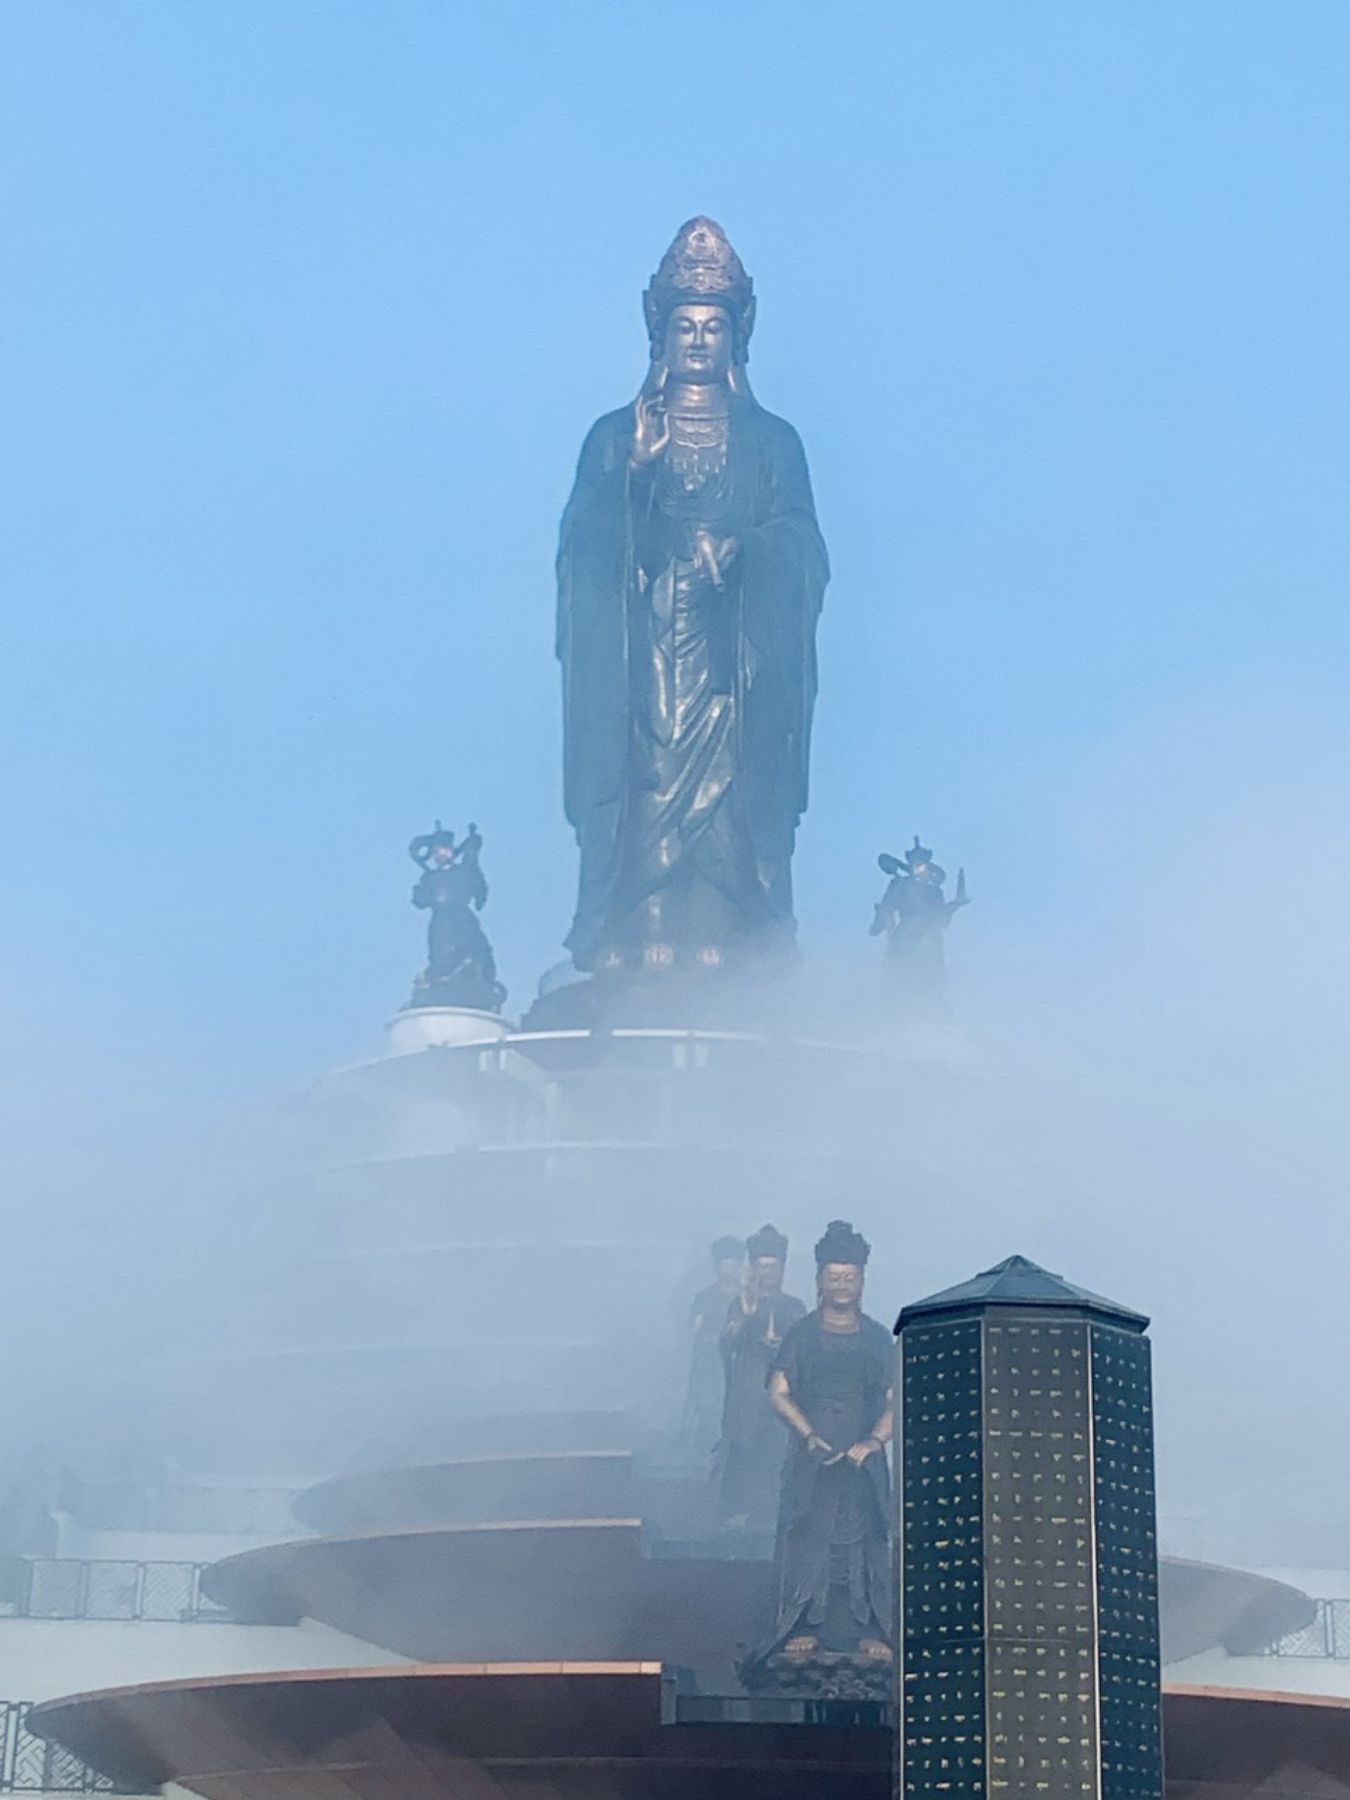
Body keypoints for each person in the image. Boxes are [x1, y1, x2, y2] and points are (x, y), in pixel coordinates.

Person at [557, 217, 829, 976]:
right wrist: (635, 479)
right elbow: (584, 547)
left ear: (735, 339)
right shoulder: (616, 436)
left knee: (733, 792)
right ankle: (631, 926)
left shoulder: (773, 442)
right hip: (643, 650)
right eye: (686, 326)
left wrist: (747, 552)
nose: (700, 341)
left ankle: (728, 926)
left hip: (731, 655)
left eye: (715, 327)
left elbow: (803, 543)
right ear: (662, 338)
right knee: (642, 778)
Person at [760, 1219, 893, 1666]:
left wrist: (874, 1441)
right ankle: (803, 1625)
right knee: (808, 1537)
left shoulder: (877, 1337)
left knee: (865, 1541)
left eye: (849, 1278)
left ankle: (872, 1628)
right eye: (834, 1277)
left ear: (861, 1281)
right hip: (811, 1458)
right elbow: (779, 1391)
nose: (842, 1285)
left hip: (862, 1459)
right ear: (820, 1280)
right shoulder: (802, 1334)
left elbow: (897, 1397)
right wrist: (810, 1435)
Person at [717, 1224, 805, 1530]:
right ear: (753, 1269)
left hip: (783, 1395)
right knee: (743, 1455)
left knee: (780, 1458)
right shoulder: (739, 1305)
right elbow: (728, 1343)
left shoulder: (794, 1306)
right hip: (749, 1393)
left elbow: (803, 1348)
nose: (768, 1273)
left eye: (773, 1267)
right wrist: (746, 1311)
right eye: (762, 1267)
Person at [678, 1235, 745, 1463]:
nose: (730, 1270)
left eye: (734, 1264)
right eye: (726, 1264)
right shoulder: (704, 1297)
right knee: (708, 1409)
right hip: (709, 1361)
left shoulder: (748, 1299)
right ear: (718, 1267)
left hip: (740, 1363)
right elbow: (692, 1331)